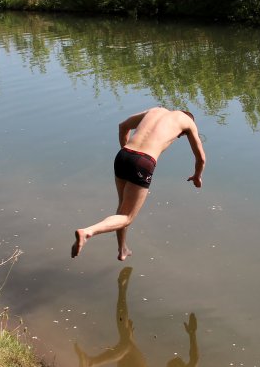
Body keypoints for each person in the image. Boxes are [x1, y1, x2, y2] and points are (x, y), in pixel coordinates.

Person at [71, 107, 206, 261]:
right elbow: (201, 158)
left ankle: (122, 249)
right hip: (144, 162)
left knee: (122, 209)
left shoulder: (156, 110)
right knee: (127, 216)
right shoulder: (188, 122)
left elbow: (122, 126)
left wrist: (127, 155)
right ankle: (88, 232)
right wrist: (197, 176)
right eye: (180, 135)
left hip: (123, 155)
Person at [74, 267, 199, 367]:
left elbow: (195, 359)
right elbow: (192, 359)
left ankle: (91, 362)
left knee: (127, 344)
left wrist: (192, 334)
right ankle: (122, 290)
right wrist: (191, 334)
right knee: (126, 335)